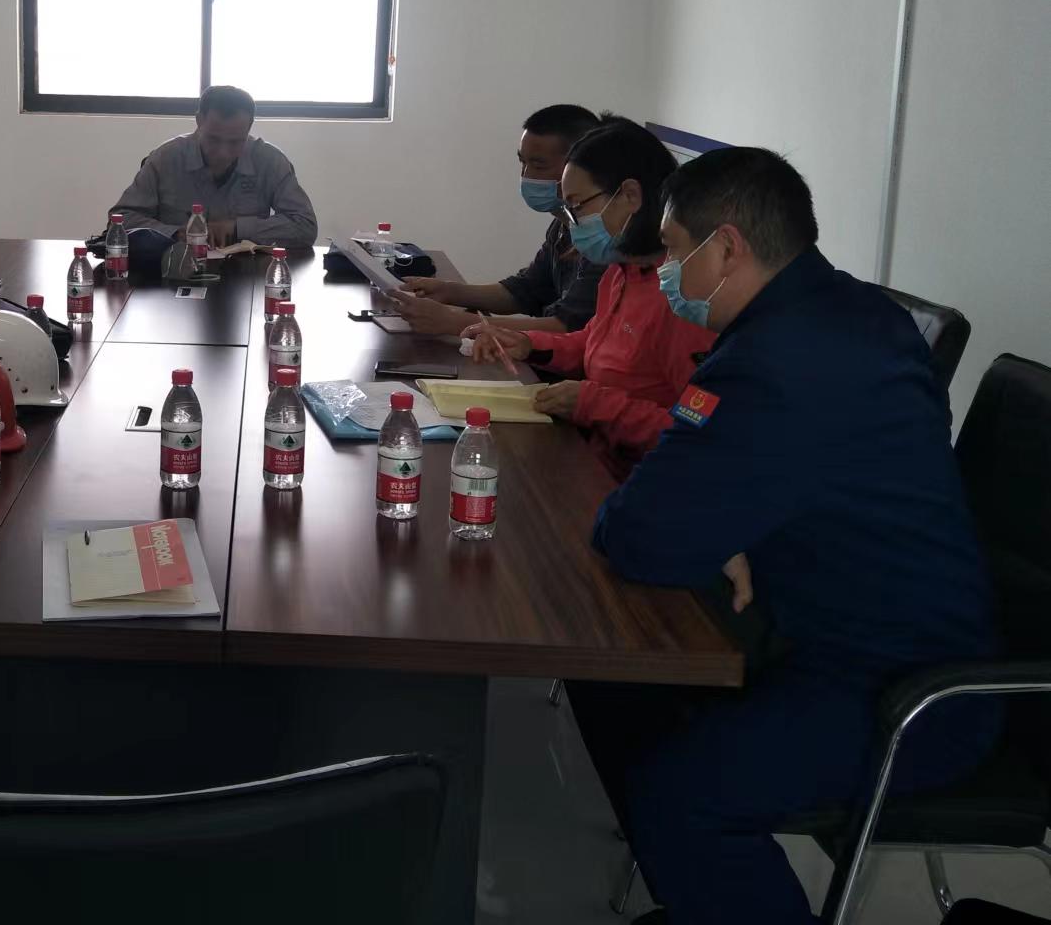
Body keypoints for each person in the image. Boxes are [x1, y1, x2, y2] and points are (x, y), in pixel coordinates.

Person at [565, 147, 998, 925]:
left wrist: (716, 523)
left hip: (902, 691)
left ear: (727, 248)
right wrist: (731, 526)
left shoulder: (773, 360)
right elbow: (794, 477)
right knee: (611, 678)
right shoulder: (857, 313)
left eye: (674, 250)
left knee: (681, 791)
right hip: (848, 625)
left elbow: (636, 533)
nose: (666, 271)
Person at [459, 117, 713, 481]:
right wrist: (529, 344)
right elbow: (594, 343)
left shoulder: (682, 298)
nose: (572, 223)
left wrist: (595, 404)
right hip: (593, 456)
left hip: (639, 482)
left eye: (577, 207)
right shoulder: (622, 272)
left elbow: (696, 434)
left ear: (630, 196)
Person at [395, 103, 605, 336]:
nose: (526, 175)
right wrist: (448, 291)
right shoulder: (563, 225)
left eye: (538, 165)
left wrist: (456, 322)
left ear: (578, 167)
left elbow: (569, 329)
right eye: (522, 162)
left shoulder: (602, 240)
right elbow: (527, 290)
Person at [112, 85, 318, 249]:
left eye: (235, 142)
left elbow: (305, 226)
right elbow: (121, 220)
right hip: (175, 270)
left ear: (249, 127)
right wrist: (175, 233)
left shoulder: (269, 161)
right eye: (213, 139)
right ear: (199, 121)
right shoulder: (166, 158)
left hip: (247, 274)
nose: (223, 152)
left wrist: (237, 229)